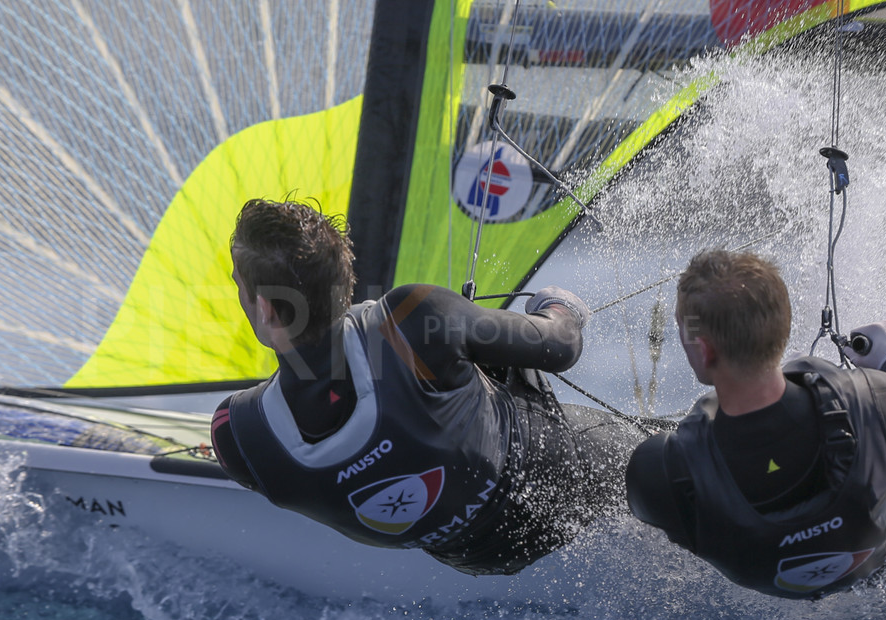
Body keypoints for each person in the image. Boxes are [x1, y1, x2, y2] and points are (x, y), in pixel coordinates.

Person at [210, 198, 641, 575]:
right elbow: (561, 345)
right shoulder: (412, 321)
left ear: (264, 309)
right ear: (346, 277)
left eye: (238, 285)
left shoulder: (238, 437)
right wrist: (558, 307)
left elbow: (325, 401)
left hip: (484, 556)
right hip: (569, 477)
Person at [625, 249, 886, 598]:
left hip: (770, 582)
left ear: (703, 349)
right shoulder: (879, 404)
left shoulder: (659, 470)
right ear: (783, 328)